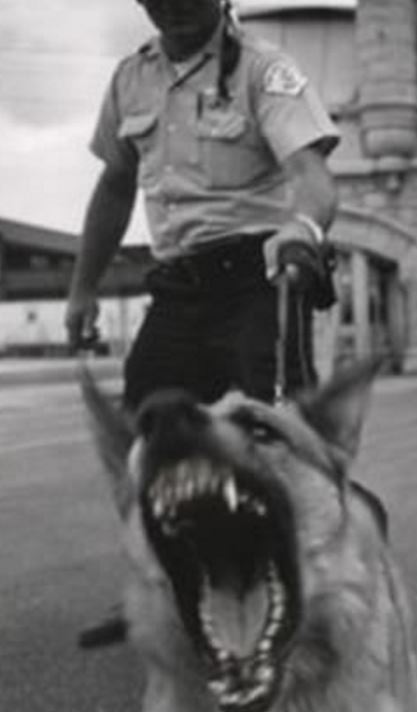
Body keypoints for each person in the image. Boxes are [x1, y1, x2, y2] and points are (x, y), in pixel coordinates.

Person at [67, 0, 340, 646]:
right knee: (143, 436)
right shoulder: (131, 79)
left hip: (256, 282)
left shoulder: (263, 71)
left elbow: (312, 177)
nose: (174, 13)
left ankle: (296, 580)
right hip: (178, 289)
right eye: (159, 2)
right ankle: (160, 582)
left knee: (278, 438)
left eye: (188, 1)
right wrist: (82, 288)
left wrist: (301, 230)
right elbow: (114, 187)